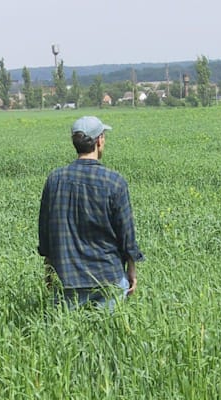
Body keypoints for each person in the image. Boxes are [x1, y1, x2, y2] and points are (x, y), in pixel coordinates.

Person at [38, 116, 145, 310]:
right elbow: (126, 233)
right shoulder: (114, 182)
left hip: (66, 276)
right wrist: (132, 269)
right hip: (108, 276)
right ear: (100, 140)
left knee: (64, 337)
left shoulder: (54, 180)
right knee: (107, 336)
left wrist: (49, 269)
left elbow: (46, 230)